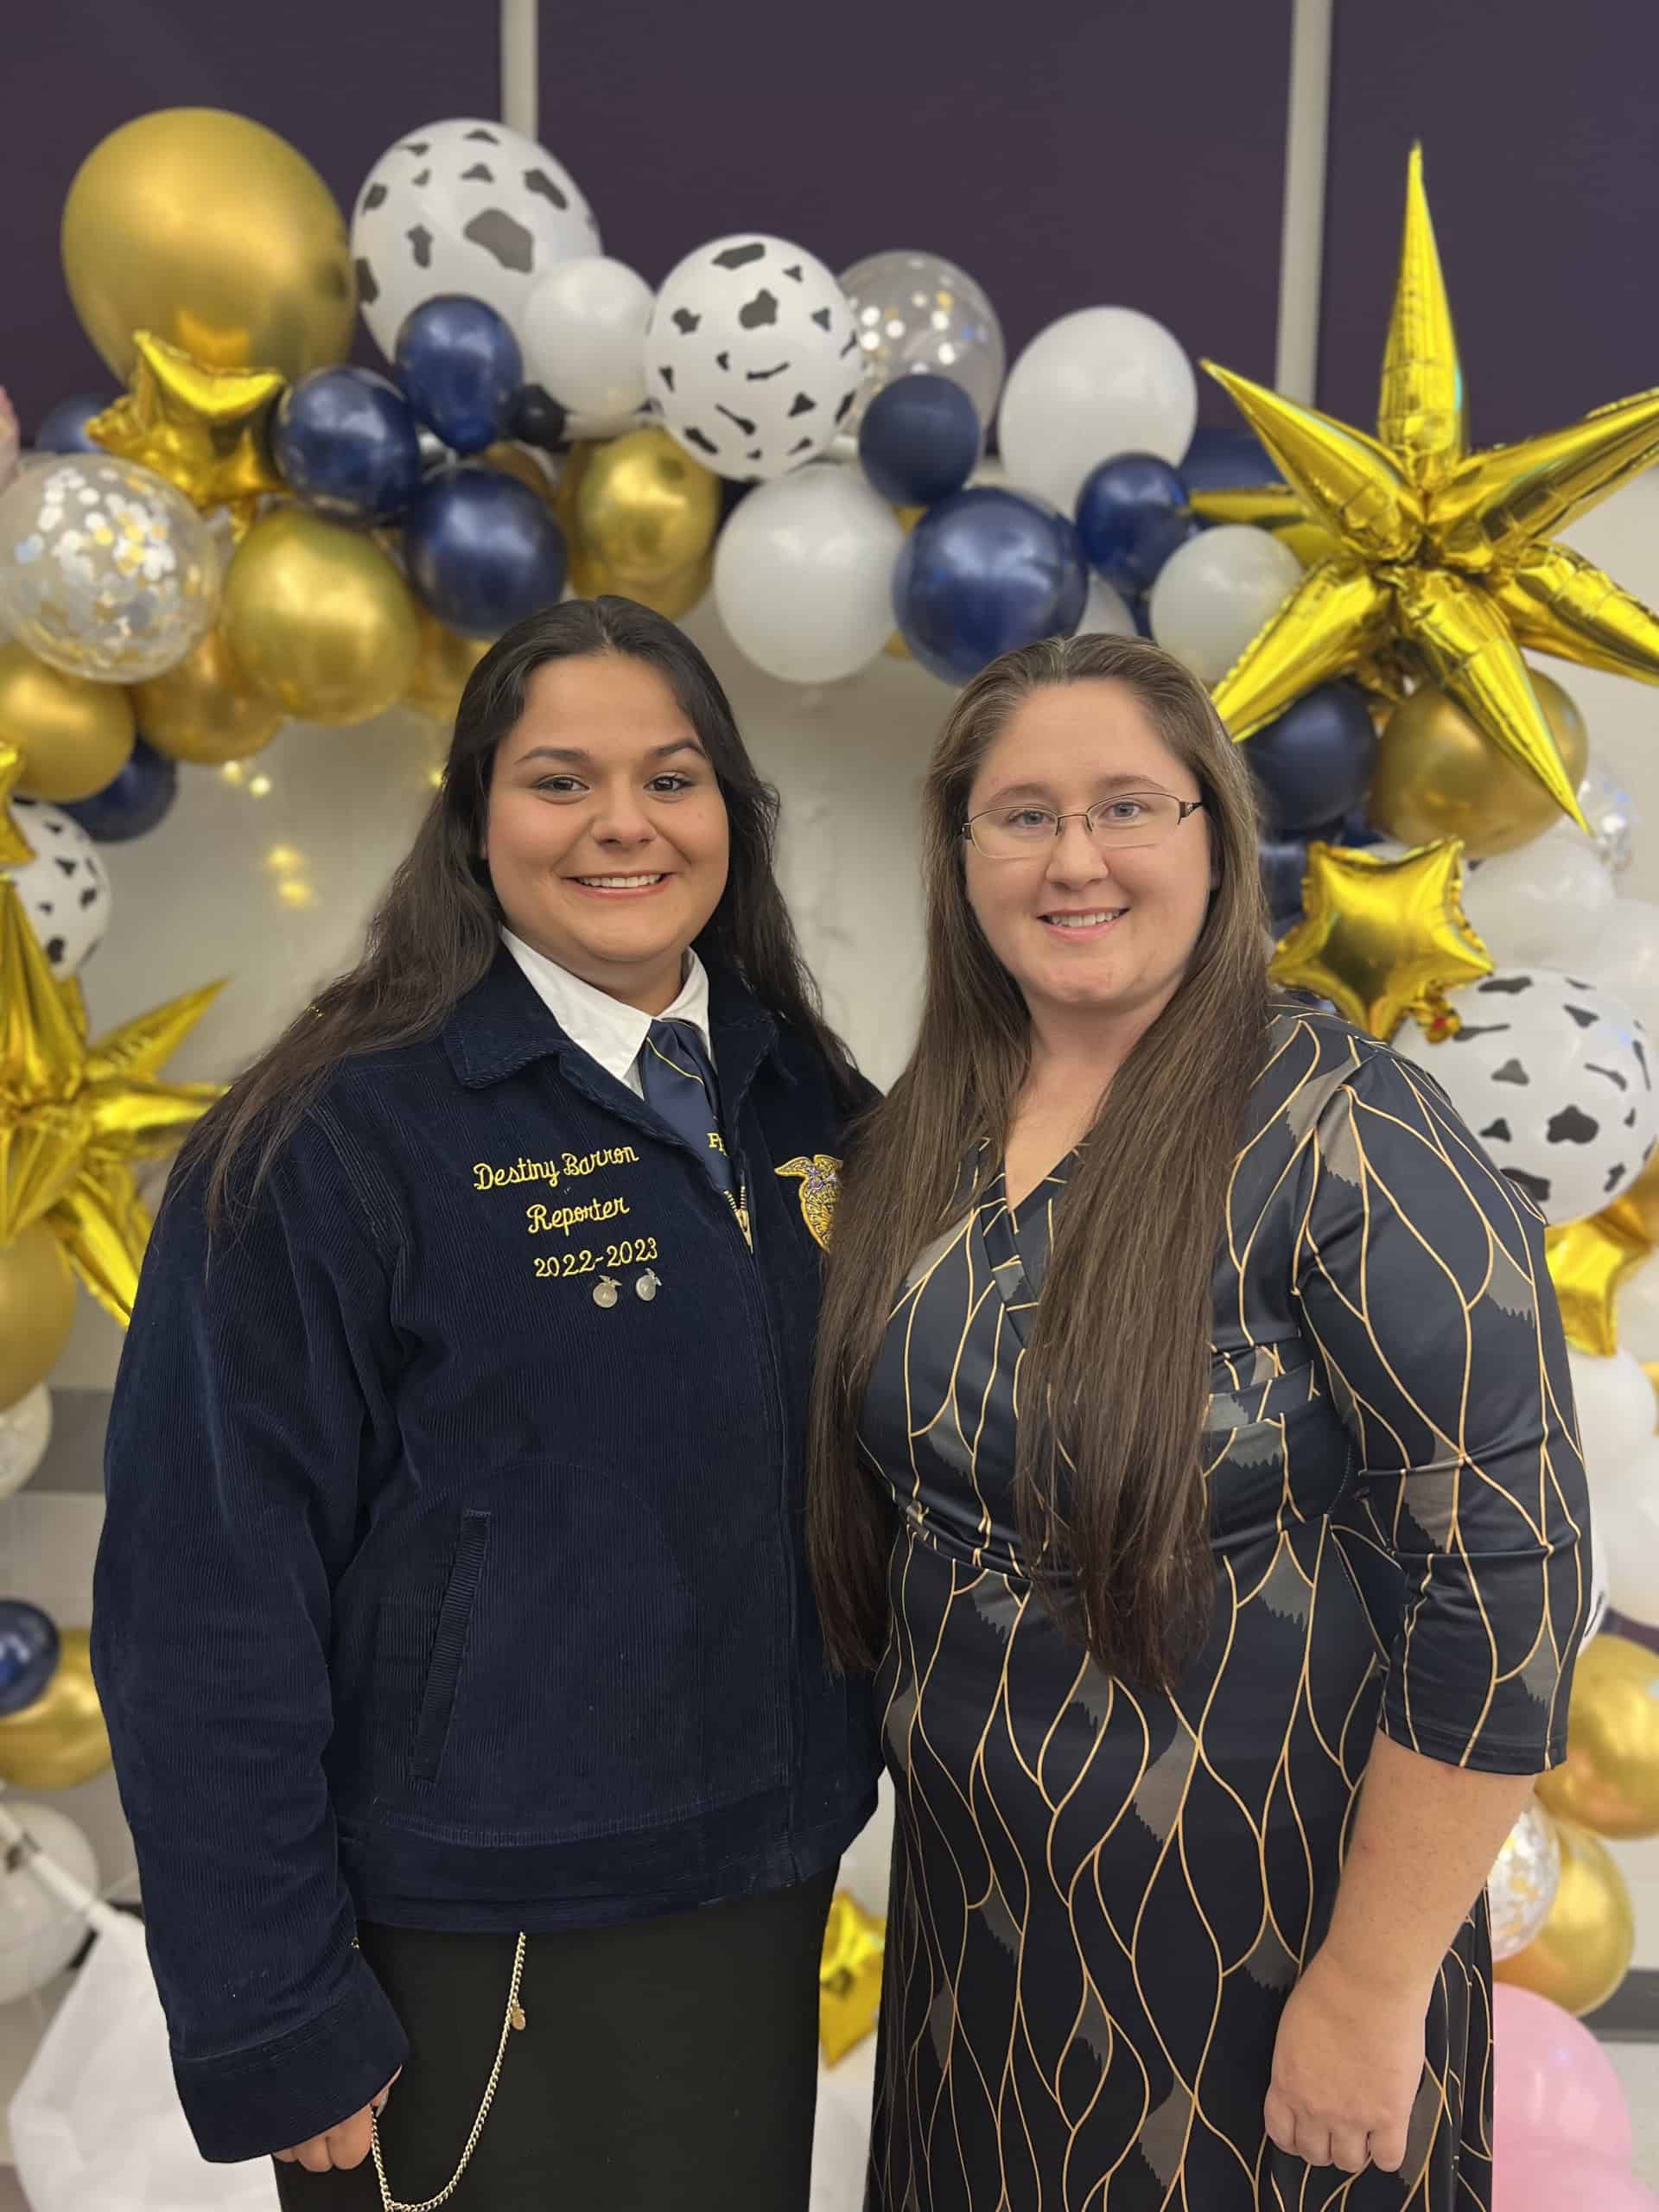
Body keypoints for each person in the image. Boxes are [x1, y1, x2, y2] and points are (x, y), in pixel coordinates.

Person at [92, 597, 880, 2210]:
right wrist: (273, 2007)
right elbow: (202, 1595)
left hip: (760, 1885)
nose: (621, 826)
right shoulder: (330, 1142)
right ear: (473, 817)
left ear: (732, 809)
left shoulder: (810, 1096)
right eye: (558, 780)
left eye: (671, 778)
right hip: (467, 1941)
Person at [806, 632, 1589, 2211]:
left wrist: (1371, 1994)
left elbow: (1503, 1596)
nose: (1074, 858)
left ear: (1216, 842)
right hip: (981, 1959)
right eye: (1021, 814)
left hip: (1268, 1959)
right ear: (961, 856)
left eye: (1128, 807)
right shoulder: (917, 1132)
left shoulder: (1348, 1127)